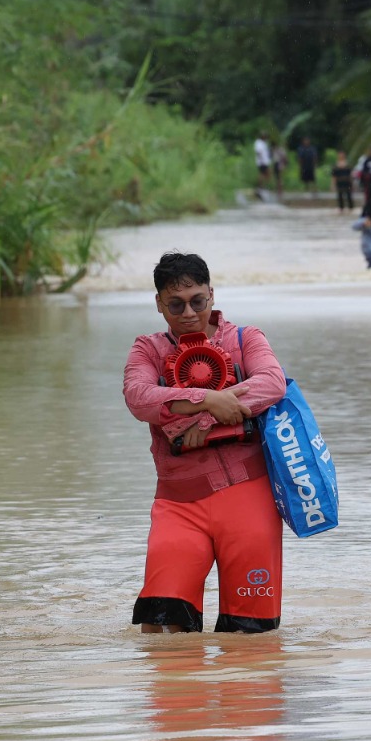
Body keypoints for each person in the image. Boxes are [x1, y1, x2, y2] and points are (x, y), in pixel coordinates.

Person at [123, 252, 288, 633]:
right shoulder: (147, 349)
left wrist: (204, 418)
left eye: (197, 301)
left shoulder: (246, 338)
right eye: (175, 304)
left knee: (250, 637)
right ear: (159, 304)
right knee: (162, 630)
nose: (188, 313)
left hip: (249, 495)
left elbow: (271, 384)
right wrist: (208, 399)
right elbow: (138, 397)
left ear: (211, 295)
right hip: (178, 502)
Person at [252, 132, 272, 201]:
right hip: (262, 162)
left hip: (265, 161)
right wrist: (262, 161)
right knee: (263, 174)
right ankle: (260, 187)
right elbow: (258, 152)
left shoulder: (263, 143)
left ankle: (262, 187)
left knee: (267, 174)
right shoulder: (258, 143)